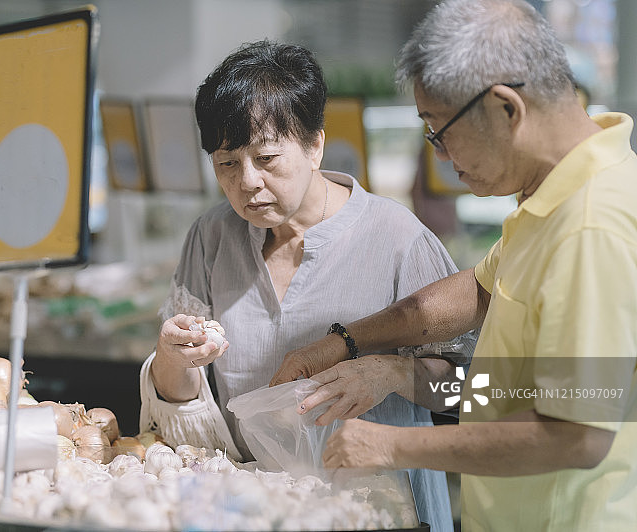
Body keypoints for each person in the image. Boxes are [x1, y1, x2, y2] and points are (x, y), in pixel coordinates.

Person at [271, 1, 637, 530]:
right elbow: (482, 297)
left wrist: (393, 445)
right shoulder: (554, 193)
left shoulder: (590, 228)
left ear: (506, 108)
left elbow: (576, 433)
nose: (441, 156)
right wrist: (351, 346)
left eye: (439, 131)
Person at [138, 40, 475, 532]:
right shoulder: (211, 237)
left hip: (380, 513)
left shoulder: (398, 239)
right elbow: (181, 396)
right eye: (227, 163)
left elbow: (473, 390)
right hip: (251, 512)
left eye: (267, 158)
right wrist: (171, 359)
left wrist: (394, 374)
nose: (247, 182)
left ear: (315, 145)